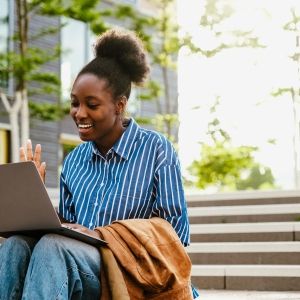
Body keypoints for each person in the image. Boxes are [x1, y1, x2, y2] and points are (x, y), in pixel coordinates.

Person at [0, 29, 200, 299]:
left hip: (130, 271)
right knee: (15, 246)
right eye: (74, 103)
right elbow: (67, 226)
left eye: (91, 105)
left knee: (52, 248)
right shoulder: (74, 161)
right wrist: (32, 197)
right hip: (76, 263)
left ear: (119, 105)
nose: (79, 113)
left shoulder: (157, 149)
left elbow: (176, 235)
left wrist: (105, 235)